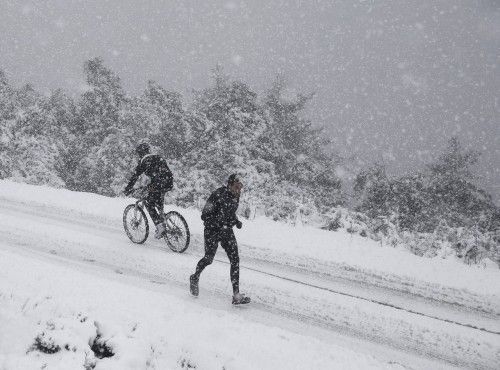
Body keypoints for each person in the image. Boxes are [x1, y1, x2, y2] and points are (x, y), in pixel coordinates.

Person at [190, 174, 251, 305]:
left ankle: (236, 295)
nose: (238, 190)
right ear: (229, 184)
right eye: (236, 187)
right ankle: (194, 277)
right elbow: (204, 215)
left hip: (227, 230)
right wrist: (218, 224)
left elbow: (229, 212)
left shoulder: (236, 196)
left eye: (240, 187)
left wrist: (236, 221)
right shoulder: (217, 194)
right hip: (212, 230)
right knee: (208, 259)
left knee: (235, 259)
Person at [124, 143, 174, 239]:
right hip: (168, 182)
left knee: (148, 202)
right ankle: (163, 218)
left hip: (158, 183)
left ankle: (160, 227)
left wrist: (128, 188)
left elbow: (135, 176)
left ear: (140, 153)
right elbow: (163, 172)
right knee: (157, 200)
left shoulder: (144, 161)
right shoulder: (158, 157)